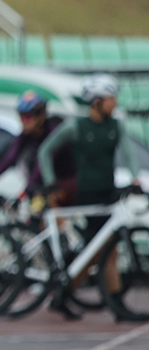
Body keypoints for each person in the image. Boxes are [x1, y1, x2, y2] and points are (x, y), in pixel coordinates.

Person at [38, 72, 136, 315]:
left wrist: (135, 179)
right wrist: (51, 183)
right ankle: (115, 304)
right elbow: (45, 151)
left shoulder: (116, 126)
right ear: (97, 101)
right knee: (103, 251)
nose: (115, 103)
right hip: (87, 194)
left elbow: (129, 154)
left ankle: (66, 295)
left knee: (99, 251)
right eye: (110, 98)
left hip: (107, 192)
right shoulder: (77, 126)